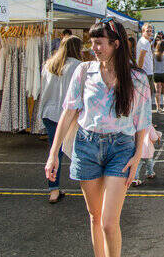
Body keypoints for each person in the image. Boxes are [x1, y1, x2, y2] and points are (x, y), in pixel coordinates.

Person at [45, 18, 152, 257]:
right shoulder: (83, 71)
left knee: (108, 221)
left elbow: (142, 120)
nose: (94, 48)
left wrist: (137, 156)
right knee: (94, 216)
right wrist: (53, 153)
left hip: (121, 148)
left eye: (100, 43)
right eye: (92, 42)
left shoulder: (137, 78)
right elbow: (69, 111)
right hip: (86, 146)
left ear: (116, 44)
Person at [38, 35, 83, 203]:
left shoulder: (49, 65)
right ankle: (85, 183)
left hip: (49, 112)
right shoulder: (79, 66)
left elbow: (43, 89)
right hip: (70, 114)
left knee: (54, 151)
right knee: (77, 148)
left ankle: (53, 189)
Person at [136, 23, 156, 100]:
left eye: (151, 31)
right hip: (146, 72)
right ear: (143, 31)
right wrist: (140, 70)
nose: (149, 33)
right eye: (147, 31)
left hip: (146, 71)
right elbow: (141, 56)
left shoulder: (142, 41)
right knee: (147, 96)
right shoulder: (145, 42)